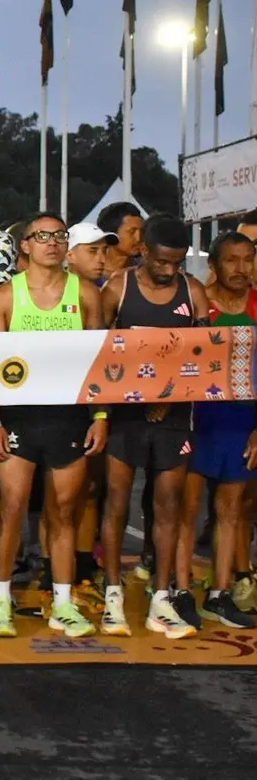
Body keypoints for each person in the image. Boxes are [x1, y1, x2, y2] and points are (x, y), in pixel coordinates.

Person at [0, 214, 106, 639]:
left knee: (64, 513)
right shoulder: (4, 297)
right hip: (19, 417)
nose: (52, 243)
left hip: (68, 417)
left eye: (59, 236)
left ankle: (64, 603)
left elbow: (99, 363)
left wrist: (100, 416)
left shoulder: (86, 294)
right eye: (43, 237)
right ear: (26, 247)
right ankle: (1, 599)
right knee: (13, 509)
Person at [100, 214, 208, 639]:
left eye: (177, 263)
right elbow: (100, 355)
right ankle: (112, 594)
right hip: (125, 416)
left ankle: (160, 598)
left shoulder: (192, 292)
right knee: (116, 504)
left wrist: (172, 397)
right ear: (143, 250)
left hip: (175, 416)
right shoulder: (117, 288)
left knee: (168, 507)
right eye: (162, 262)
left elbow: (202, 358)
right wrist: (110, 410)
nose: (169, 271)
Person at [180, 232, 257, 629]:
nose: (242, 269)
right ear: (214, 265)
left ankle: (219, 595)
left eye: (249, 259)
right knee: (186, 510)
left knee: (230, 511)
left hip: (242, 422)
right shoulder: (199, 302)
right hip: (197, 419)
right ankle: (177, 592)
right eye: (232, 260)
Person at [95, 203, 144, 278]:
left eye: (141, 231)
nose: (138, 238)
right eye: (132, 232)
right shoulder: (87, 271)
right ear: (111, 234)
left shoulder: (143, 270)